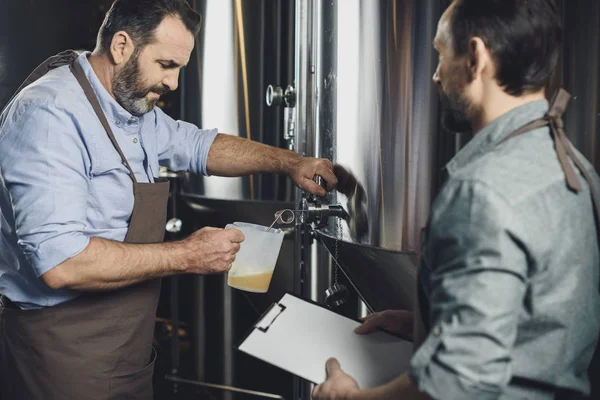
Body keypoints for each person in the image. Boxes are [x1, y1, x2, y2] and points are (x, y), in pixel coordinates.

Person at [0, 0, 337, 399]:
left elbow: (196, 145)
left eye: (180, 67)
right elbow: (61, 264)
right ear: (122, 46)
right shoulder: (51, 114)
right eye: (166, 65)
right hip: (62, 352)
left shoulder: (127, 104)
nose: (174, 83)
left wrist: (289, 162)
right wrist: (187, 255)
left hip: (126, 346)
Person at [312, 0, 600, 399]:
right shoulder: (576, 167)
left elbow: (456, 385)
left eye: (440, 54)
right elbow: (543, 323)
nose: (434, 75)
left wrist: (349, 397)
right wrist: (426, 326)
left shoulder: (481, 191)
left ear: (477, 57)